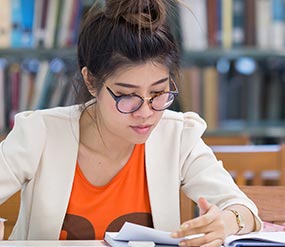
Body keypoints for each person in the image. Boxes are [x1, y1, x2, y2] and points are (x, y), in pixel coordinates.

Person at [0, 0, 262, 246]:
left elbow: (242, 208)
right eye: (127, 96)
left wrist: (228, 222)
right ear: (91, 82)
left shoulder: (179, 136)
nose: (146, 112)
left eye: (158, 93)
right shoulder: (40, 133)